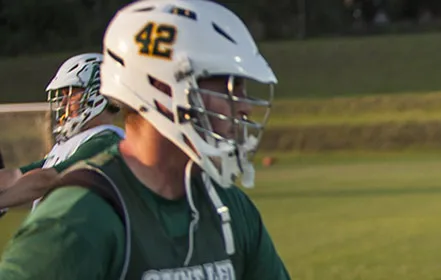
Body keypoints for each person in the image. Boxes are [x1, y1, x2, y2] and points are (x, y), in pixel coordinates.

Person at [0, 1, 291, 278]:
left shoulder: (229, 206)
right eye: (228, 84)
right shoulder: (79, 219)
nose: (244, 105)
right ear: (162, 88)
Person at [0, 53, 124, 211]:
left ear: (98, 95)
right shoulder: (71, 144)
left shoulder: (106, 141)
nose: (64, 102)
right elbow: (15, 176)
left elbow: (47, 179)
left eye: (71, 94)